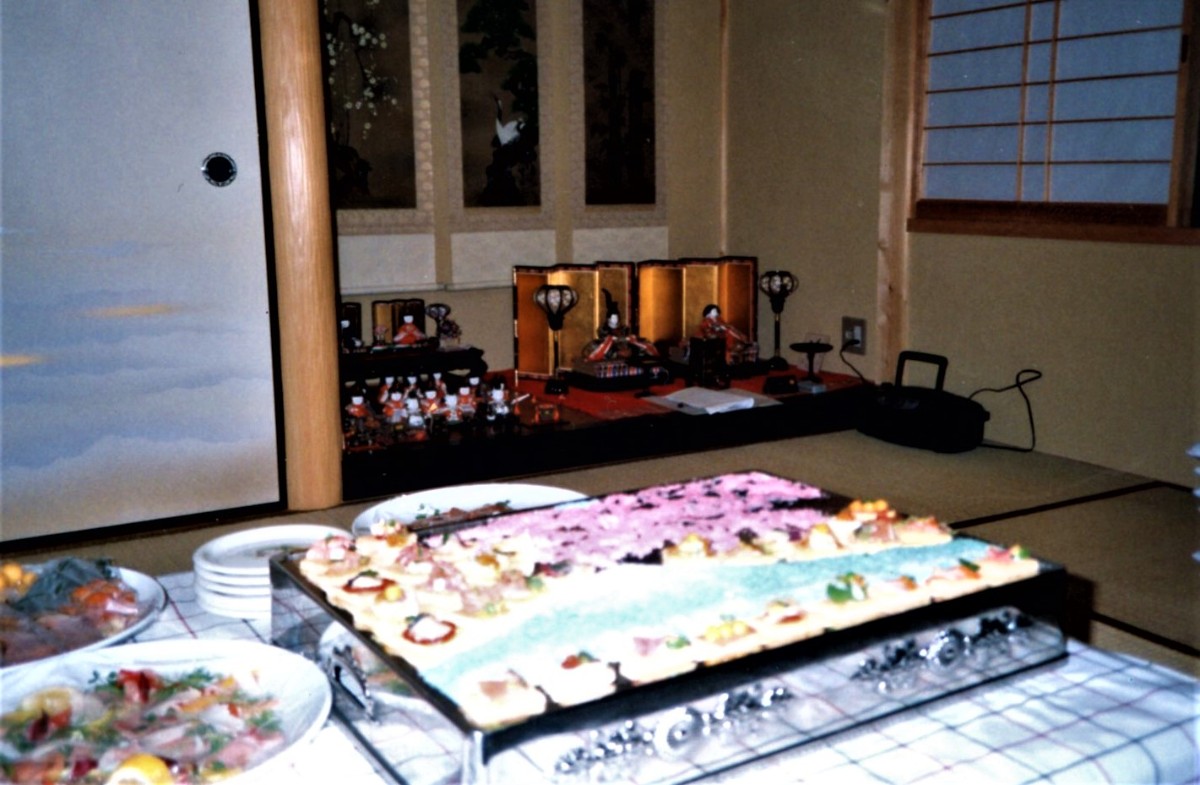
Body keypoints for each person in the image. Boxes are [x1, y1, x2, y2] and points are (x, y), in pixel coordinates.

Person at [582, 290, 660, 363]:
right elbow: (588, 355)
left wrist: (632, 351)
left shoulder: (630, 339)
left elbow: (653, 351)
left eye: (617, 328)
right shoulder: (598, 343)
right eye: (613, 328)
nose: (616, 331)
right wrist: (616, 353)